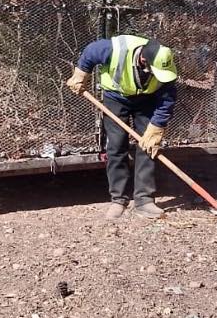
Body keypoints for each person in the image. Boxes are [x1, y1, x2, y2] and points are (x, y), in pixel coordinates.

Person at [65, 34, 179, 220]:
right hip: (115, 98)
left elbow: (167, 99)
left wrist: (157, 126)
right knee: (116, 147)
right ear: (143, 59)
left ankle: (144, 200)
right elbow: (91, 52)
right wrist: (80, 75)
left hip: (147, 100)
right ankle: (118, 199)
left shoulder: (165, 65)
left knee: (149, 146)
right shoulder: (115, 49)